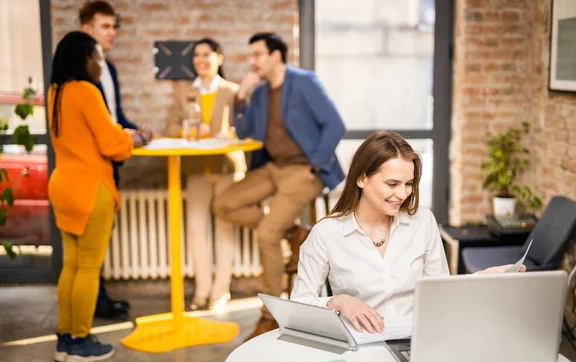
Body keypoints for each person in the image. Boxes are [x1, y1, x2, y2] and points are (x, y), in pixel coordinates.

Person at [291, 131, 525, 334]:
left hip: (419, 338)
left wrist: (482, 279)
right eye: (392, 184)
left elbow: (440, 290)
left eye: (409, 184)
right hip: (361, 344)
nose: (402, 194)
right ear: (362, 178)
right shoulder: (326, 233)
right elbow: (299, 306)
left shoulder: (422, 221)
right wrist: (338, 302)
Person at [212, 32, 346, 340]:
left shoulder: (303, 82)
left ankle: (270, 315)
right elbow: (246, 130)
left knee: (265, 233)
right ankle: (295, 233)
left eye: (258, 54)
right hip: (273, 168)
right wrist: (241, 97)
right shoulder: (259, 93)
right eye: (252, 55)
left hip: (304, 170)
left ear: (276, 56)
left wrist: (314, 163)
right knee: (223, 204)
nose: (253, 61)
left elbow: (335, 124)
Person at [49, 31, 150, 362]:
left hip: (63, 186)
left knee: (72, 265)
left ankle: (65, 339)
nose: (101, 65)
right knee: (89, 268)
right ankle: (80, 342)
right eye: (98, 58)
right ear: (85, 60)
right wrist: (136, 137)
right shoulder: (86, 92)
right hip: (91, 189)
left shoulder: (54, 92)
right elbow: (111, 145)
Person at [79, 0, 153, 319]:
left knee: (101, 234)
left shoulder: (108, 68)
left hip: (112, 161)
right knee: (88, 238)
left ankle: (100, 299)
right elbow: (95, 126)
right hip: (89, 165)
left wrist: (138, 129)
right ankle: (91, 304)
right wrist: (134, 137)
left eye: (114, 26)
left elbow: (115, 117)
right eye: (105, 26)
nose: (113, 33)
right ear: (87, 29)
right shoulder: (79, 71)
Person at [166, 38, 246, 311]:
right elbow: (171, 127)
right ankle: (201, 291)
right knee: (197, 230)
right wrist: (186, 132)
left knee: (225, 230)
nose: (201, 60)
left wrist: (231, 134)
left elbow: (245, 126)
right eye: (196, 55)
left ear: (219, 58)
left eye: (206, 54)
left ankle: (220, 292)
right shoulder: (184, 93)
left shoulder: (233, 92)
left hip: (227, 169)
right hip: (196, 170)